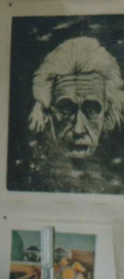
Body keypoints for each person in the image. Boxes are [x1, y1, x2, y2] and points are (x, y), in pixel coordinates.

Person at [14, 36, 124, 193]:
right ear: (47, 112)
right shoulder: (27, 175)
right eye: (66, 109)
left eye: (91, 111)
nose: (78, 129)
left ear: (106, 110)